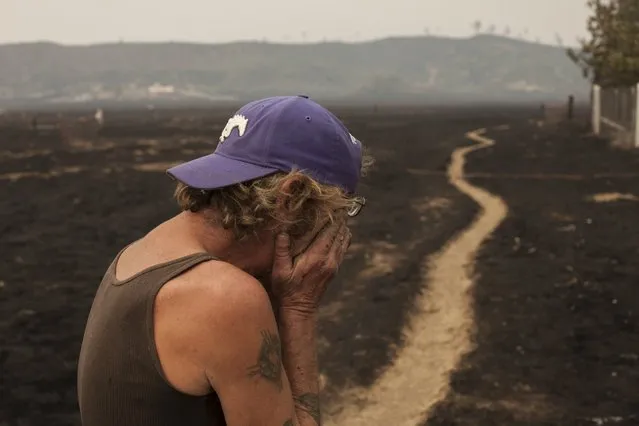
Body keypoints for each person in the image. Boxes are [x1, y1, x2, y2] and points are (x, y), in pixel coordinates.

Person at [77, 95, 372, 426]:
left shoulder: (140, 253)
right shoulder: (225, 298)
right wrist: (299, 309)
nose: (336, 229)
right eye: (338, 210)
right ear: (292, 198)